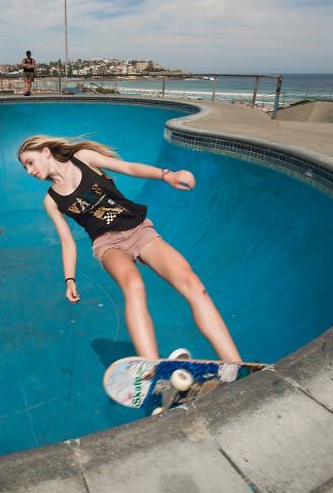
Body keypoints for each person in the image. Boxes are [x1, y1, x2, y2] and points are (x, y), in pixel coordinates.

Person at [17, 135, 242, 364]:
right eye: (24, 167)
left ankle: (235, 365)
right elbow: (67, 241)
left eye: (30, 162)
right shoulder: (52, 201)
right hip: (108, 244)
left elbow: (128, 167)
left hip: (139, 230)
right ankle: (152, 371)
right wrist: (70, 279)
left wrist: (167, 175)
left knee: (194, 285)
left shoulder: (83, 159)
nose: (29, 171)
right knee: (134, 285)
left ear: (45, 151)